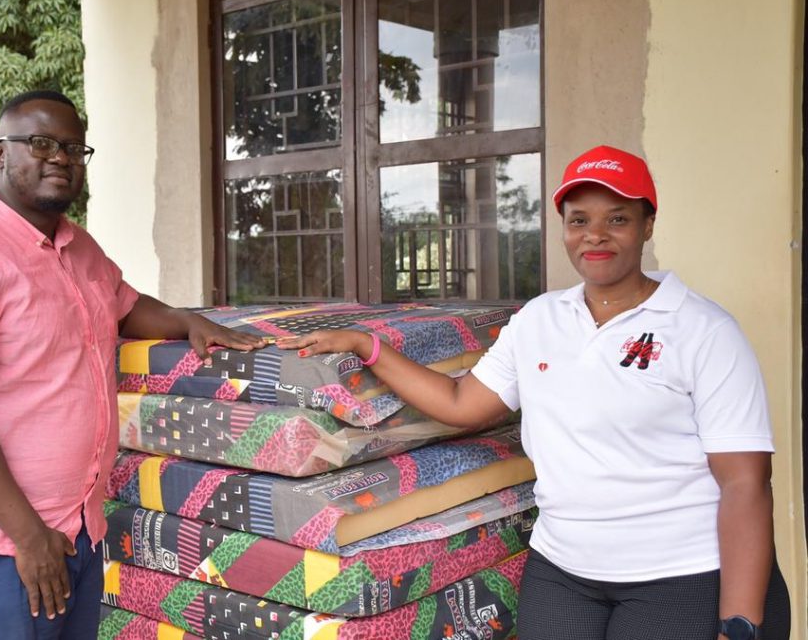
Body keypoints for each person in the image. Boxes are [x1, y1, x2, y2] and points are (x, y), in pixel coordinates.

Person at [278, 145, 790, 640]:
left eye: (617, 218)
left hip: (679, 573)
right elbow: (462, 404)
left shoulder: (704, 330)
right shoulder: (539, 319)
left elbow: (746, 483)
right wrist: (369, 346)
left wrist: (739, 625)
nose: (596, 235)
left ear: (647, 225)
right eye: (578, 220)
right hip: (565, 571)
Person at [0, 89, 263, 639]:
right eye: (40, 143)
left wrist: (189, 323)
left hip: (72, 527)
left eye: (73, 147)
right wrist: (28, 537)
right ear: (0, 155)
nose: (60, 158)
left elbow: (126, 305)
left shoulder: (79, 247)